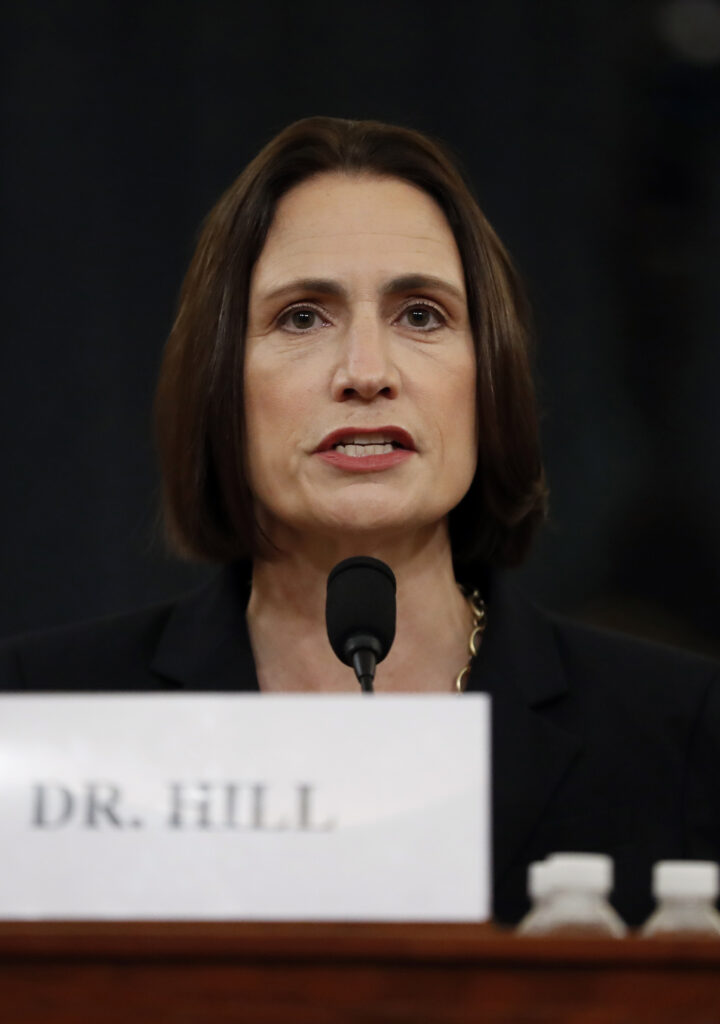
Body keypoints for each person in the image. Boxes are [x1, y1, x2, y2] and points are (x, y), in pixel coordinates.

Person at [1, 117, 719, 926]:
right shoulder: (38, 719)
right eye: (303, 317)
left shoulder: (684, 736)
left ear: (489, 378)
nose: (366, 373)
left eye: (422, 315)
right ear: (221, 382)